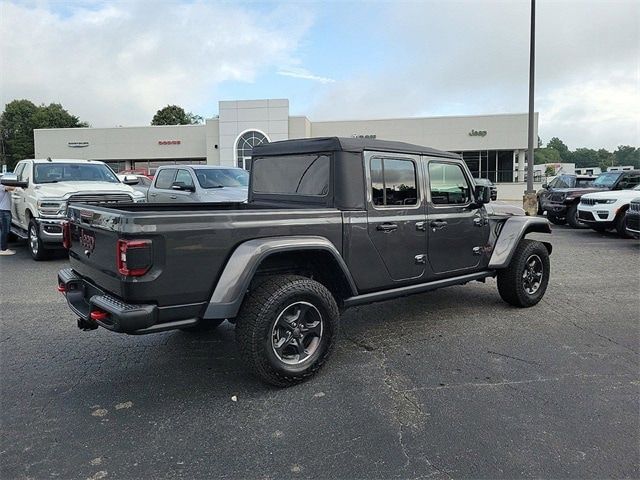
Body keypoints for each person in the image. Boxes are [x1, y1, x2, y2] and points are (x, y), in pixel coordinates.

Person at [0, 180, 15, 256]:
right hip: (4, 211)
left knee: (4, 230)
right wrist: (19, 186)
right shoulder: (1, 186)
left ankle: (4, 248)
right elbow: (9, 188)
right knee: (5, 231)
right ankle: (3, 249)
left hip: (4, 210)